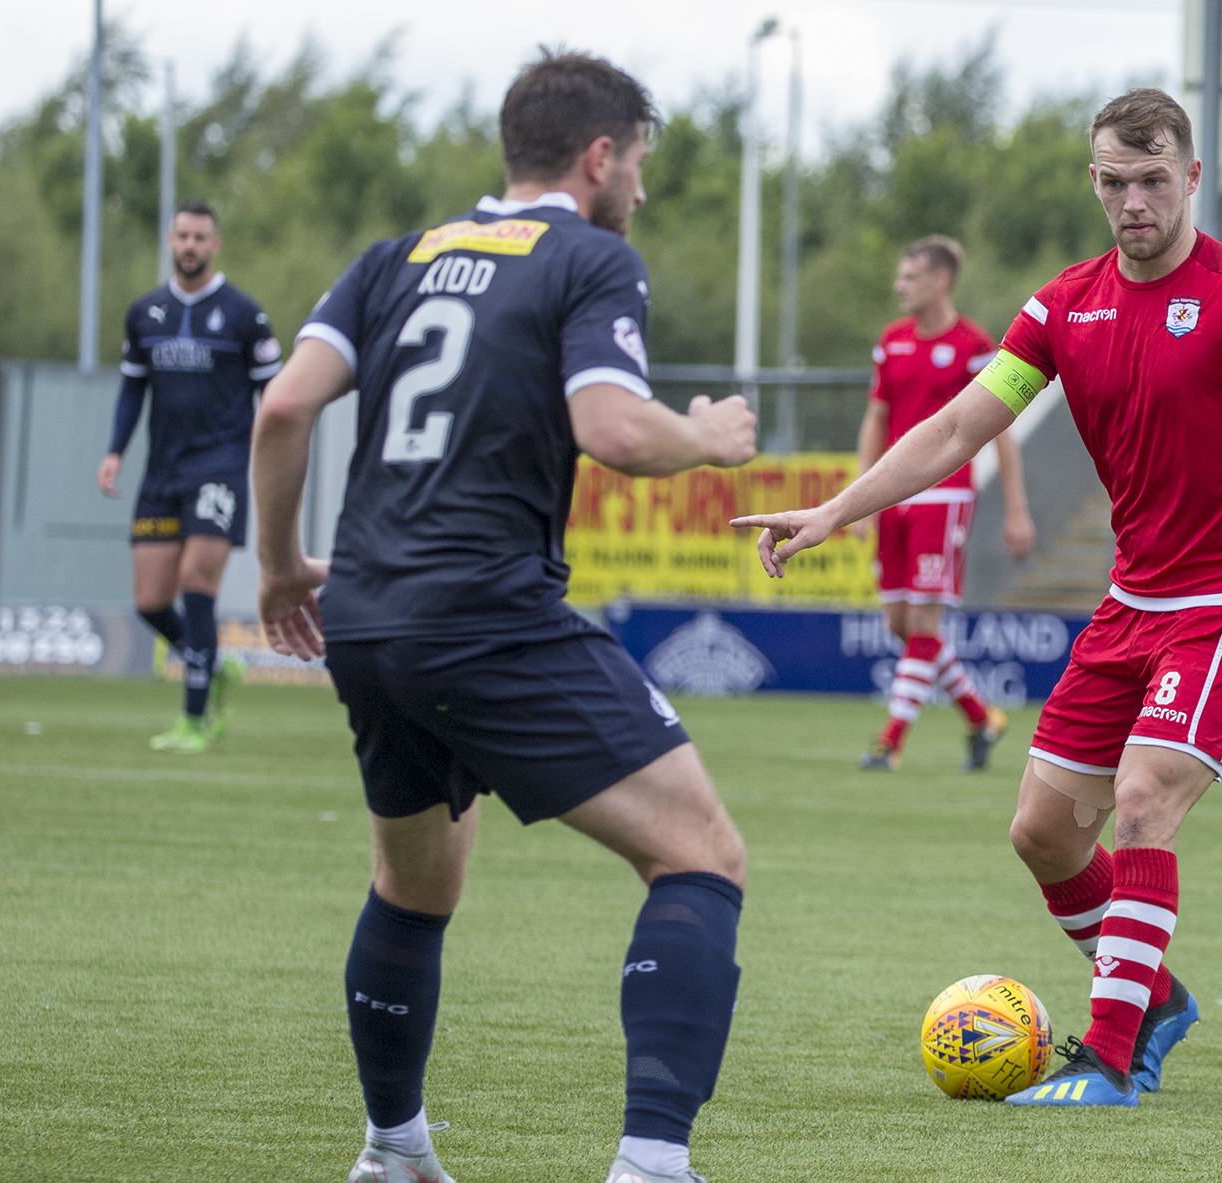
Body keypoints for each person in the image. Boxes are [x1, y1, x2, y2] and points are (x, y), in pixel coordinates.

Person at [734, 87, 1222, 1108]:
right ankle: (1157, 997)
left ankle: (1107, 1056)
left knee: (1140, 805)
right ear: (1094, 183)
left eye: (1153, 180)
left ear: (1190, 178)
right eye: (1114, 181)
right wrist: (836, 510)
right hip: (1131, 601)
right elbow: (959, 428)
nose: (1134, 200)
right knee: (1044, 832)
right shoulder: (1065, 306)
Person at [250, 52, 757, 1183]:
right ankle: (651, 1164)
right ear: (599, 155)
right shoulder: (588, 257)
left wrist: (281, 569)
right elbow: (616, 431)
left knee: (415, 882)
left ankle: (392, 1149)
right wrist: (709, 435)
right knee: (700, 857)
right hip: (487, 610)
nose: (641, 188)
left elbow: (285, 405)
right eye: (639, 161)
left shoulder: (396, 260)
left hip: (371, 616)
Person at [98, 199, 276, 752]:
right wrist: (114, 452)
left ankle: (194, 719)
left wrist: (271, 455)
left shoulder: (245, 315)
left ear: (215, 245)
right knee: (151, 602)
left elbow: (274, 393)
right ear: (170, 242)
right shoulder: (144, 313)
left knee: (197, 584)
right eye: (183, 236)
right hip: (162, 473)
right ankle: (215, 668)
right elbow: (132, 388)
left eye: (201, 237)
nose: (191, 246)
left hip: (219, 465)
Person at [854, 235, 1035, 772]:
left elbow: (1000, 429)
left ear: (941, 281)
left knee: (924, 624)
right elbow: (876, 417)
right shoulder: (892, 341)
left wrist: (1016, 507)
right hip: (893, 492)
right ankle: (982, 718)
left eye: (910, 276)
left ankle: (890, 743)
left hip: (946, 491)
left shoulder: (974, 345)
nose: (899, 286)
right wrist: (857, 498)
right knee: (900, 625)